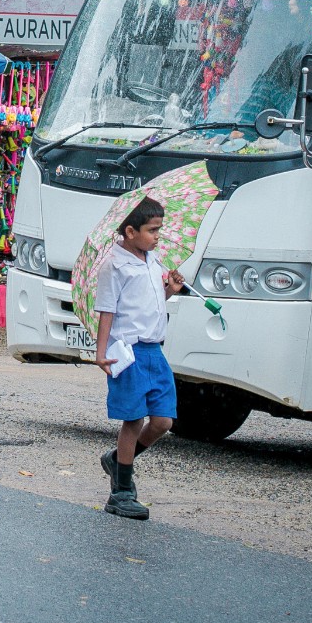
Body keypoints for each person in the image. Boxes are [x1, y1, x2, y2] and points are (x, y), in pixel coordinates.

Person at [92, 196, 185, 521]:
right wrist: (102, 352)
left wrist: (170, 290)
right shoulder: (114, 265)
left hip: (153, 352)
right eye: (152, 230)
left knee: (162, 422)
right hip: (127, 351)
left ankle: (118, 460)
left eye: (159, 229)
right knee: (132, 420)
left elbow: (149, 301)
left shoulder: (151, 260)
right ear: (130, 231)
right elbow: (107, 309)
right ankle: (121, 492)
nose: (158, 236)